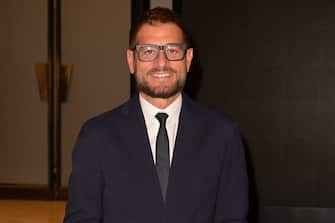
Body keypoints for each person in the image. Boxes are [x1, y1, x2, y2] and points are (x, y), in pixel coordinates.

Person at [64, 7, 248, 223]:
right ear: (131, 60)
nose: (162, 63)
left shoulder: (223, 134)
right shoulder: (96, 136)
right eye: (149, 51)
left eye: (172, 50)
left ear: (188, 59)